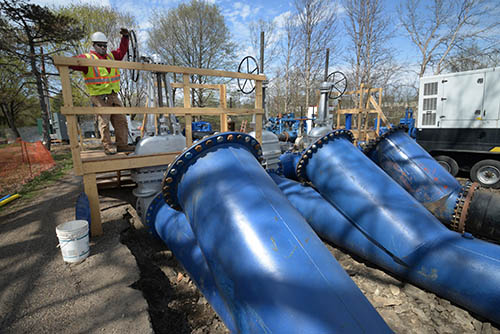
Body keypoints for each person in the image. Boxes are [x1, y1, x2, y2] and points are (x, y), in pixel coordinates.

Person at [70, 29, 134, 155]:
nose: (103, 48)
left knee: (121, 120)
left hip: (113, 95)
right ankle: (107, 146)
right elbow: (72, 62)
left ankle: (122, 145)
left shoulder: (110, 57)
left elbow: (121, 52)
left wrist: (125, 37)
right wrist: (61, 62)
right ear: (94, 46)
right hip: (99, 96)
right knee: (104, 121)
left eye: (105, 45)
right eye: (100, 45)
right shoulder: (87, 58)